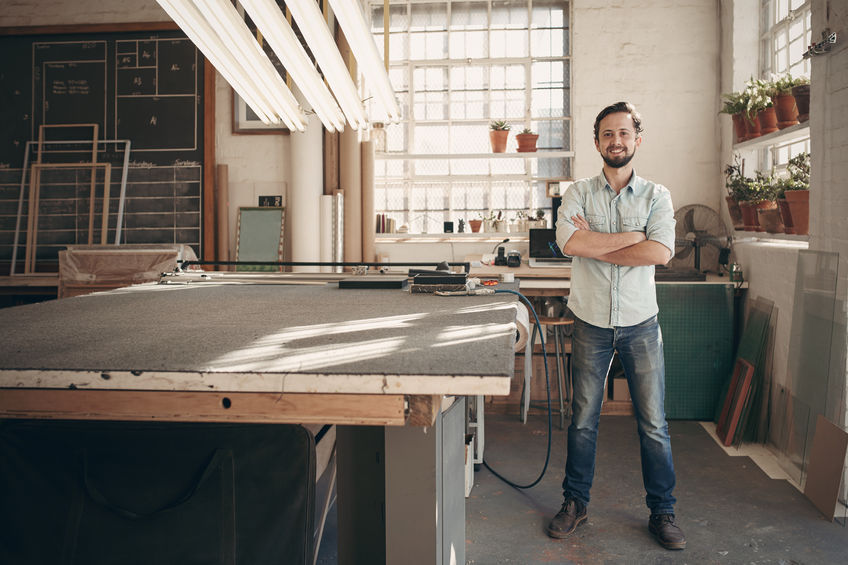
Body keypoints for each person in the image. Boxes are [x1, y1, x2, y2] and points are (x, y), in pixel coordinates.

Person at [548, 101, 685, 550]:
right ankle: (575, 503)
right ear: (597, 142)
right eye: (608, 134)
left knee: (653, 423)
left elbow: (661, 252)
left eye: (624, 133)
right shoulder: (578, 193)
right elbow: (567, 241)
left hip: (640, 322)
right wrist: (632, 238)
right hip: (589, 319)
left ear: (636, 140)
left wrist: (595, 245)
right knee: (583, 419)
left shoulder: (657, 196)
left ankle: (662, 511)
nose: (616, 141)